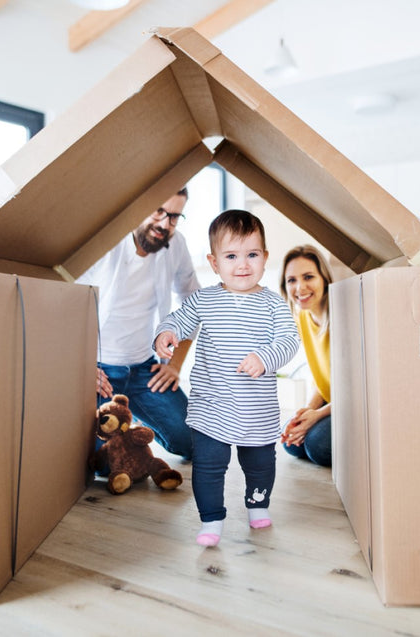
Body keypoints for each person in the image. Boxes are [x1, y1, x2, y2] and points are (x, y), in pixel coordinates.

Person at [154, 210, 299, 547]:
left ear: (264, 258)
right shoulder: (204, 299)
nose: (243, 265)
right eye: (231, 256)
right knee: (208, 465)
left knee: (261, 464)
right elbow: (179, 319)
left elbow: (288, 341)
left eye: (252, 255)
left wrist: (265, 357)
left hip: (257, 409)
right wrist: (167, 333)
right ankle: (211, 518)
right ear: (215, 262)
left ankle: (257, 503)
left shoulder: (274, 305)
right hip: (212, 406)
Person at [76, 187, 199, 461]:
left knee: (193, 442)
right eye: (159, 211)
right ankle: (124, 426)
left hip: (145, 369)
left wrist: (176, 365)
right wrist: (79, 368)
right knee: (102, 460)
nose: (165, 224)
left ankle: (135, 419)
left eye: (175, 217)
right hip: (99, 373)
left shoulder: (176, 245)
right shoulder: (105, 242)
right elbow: (62, 304)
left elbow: (193, 303)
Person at [279, 245, 334, 467]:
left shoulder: (342, 314)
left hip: (355, 405)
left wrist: (318, 415)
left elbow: (358, 391)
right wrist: (308, 411)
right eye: (291, 280)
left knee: (317, 445)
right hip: (332, 402)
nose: (300, 287)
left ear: (324, 279)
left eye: (308, 276)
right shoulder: (302, 317)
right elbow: (322, 379)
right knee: (290, 441)